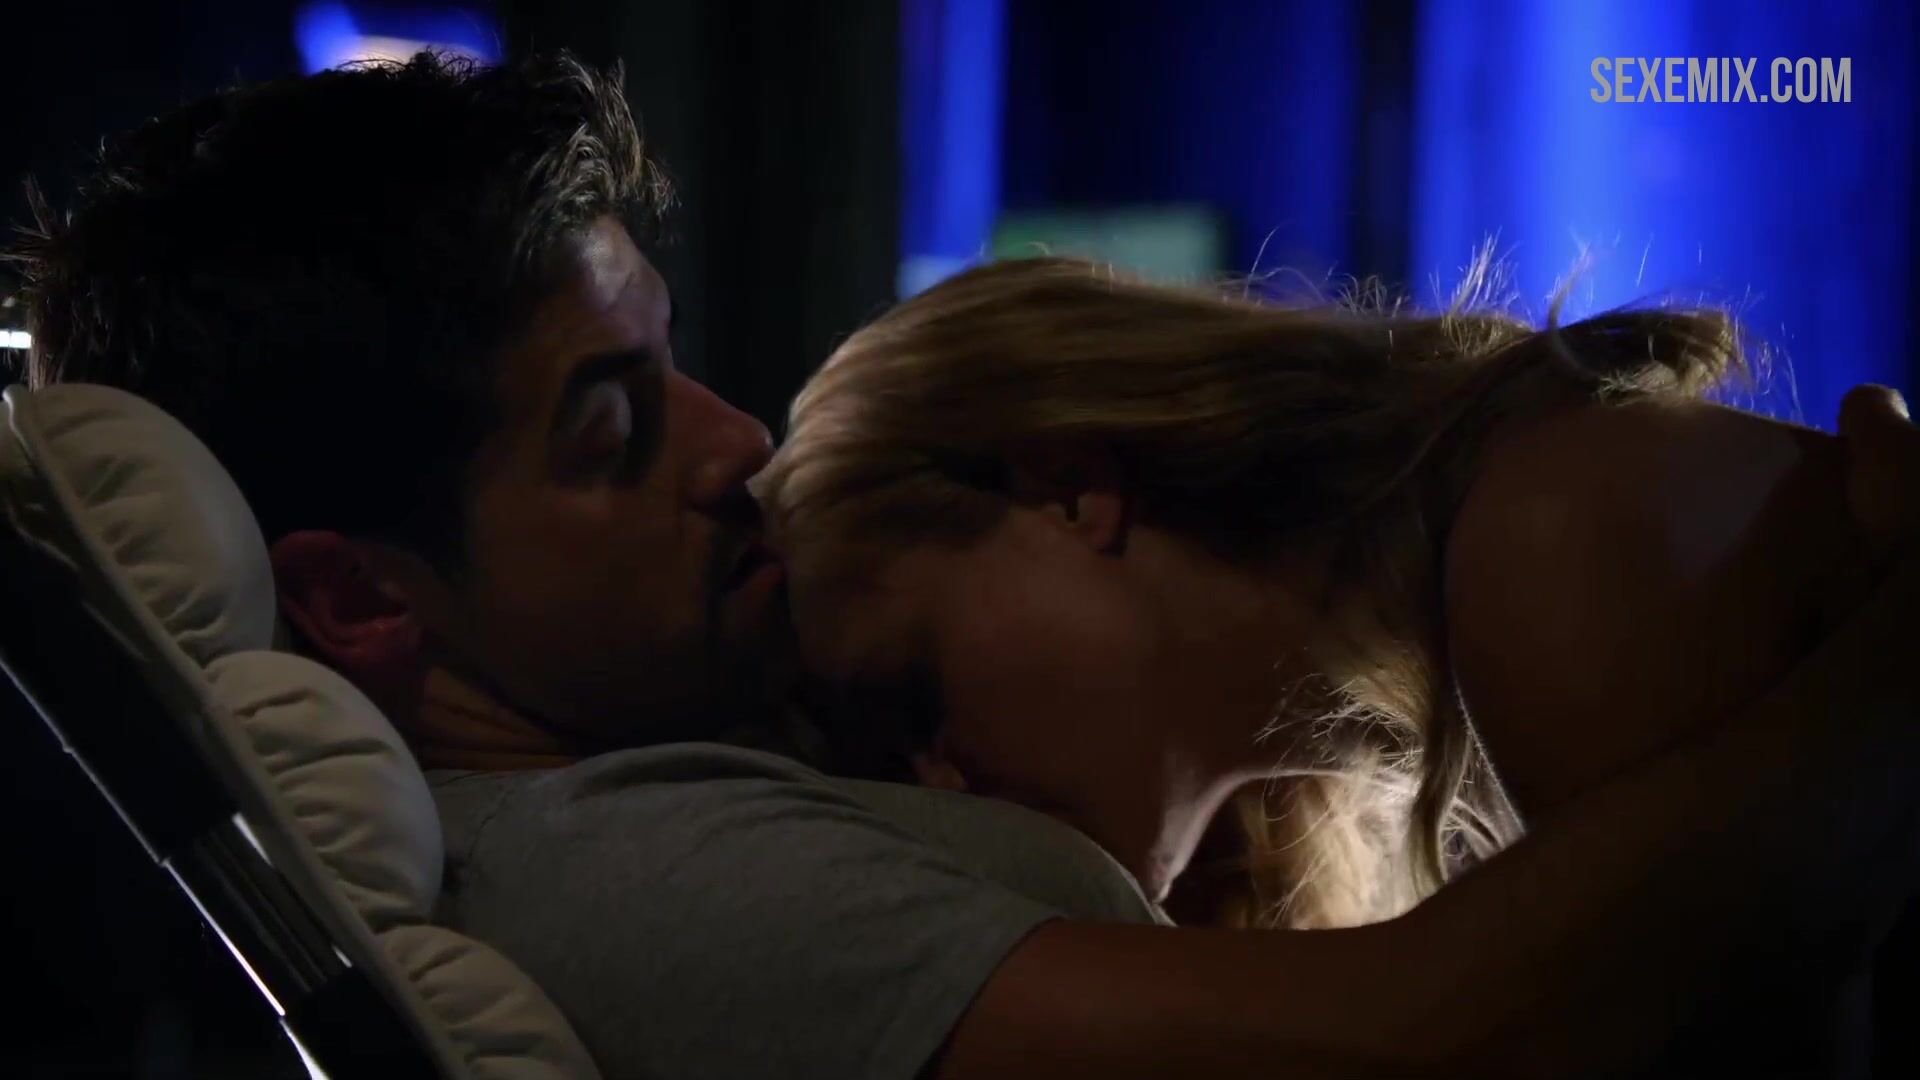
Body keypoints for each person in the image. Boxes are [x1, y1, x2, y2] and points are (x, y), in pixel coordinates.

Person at [10, 50, 1919, 1080]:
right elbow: (1432, 1043)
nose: (730, 451)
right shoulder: (630, 876)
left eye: (676, 367)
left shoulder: (696, 765)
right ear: (361, 600)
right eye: (610, 429)